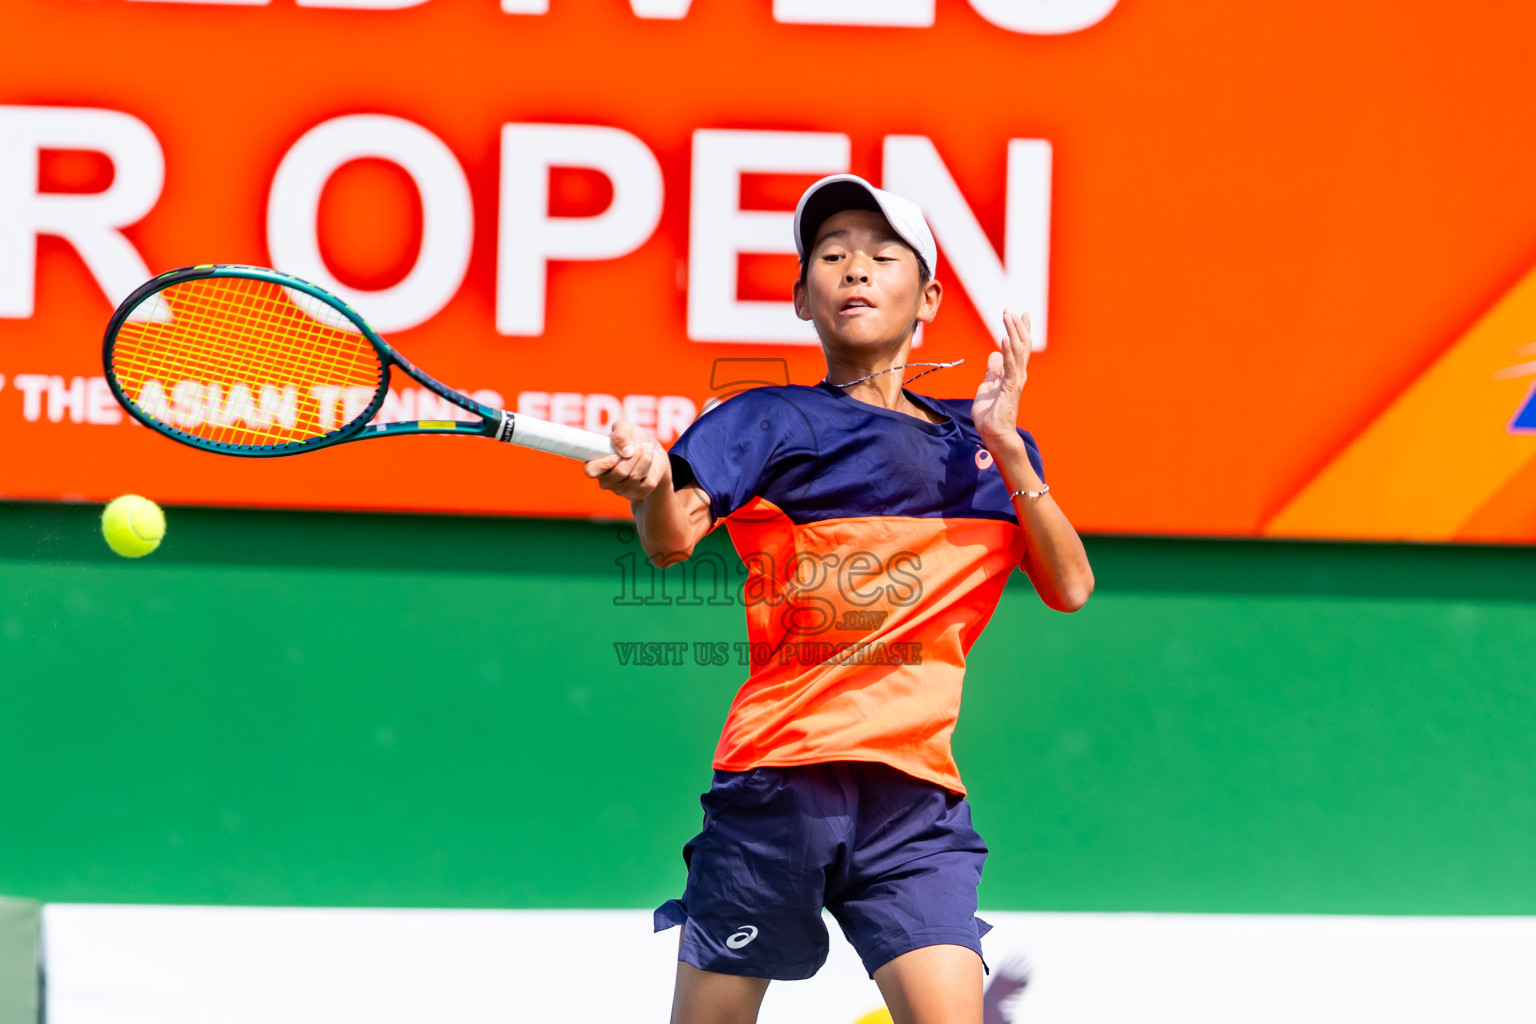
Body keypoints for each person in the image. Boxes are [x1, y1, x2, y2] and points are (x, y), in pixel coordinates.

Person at [584, 174, 1094, 1024]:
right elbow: (672, 536)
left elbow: (1069, 586)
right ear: (800, 297)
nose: (854, 269)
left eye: (880, 255)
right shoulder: (767, 420)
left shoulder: (985, 447)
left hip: (915, 797)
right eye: (831, 256)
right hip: (781, 780)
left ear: (927, 296)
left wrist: (1010, 450)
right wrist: (646, 487)